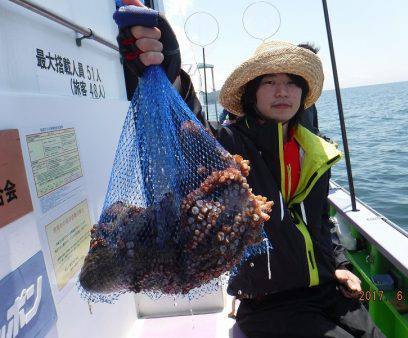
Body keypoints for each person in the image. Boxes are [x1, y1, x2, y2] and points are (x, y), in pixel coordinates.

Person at [117, 1, 385, 337]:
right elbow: (188, 128)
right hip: (269, 302)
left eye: (292, 82)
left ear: (303, 95)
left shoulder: (314, 148)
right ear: (251, 93)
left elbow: (319, 220)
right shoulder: (230, 142)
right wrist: (171, 78)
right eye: (269, 81)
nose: (283, 90)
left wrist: (342, 264)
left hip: (330, 291)